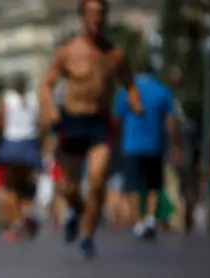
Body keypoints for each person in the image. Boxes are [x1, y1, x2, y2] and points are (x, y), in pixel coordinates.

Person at [39, 0, 143, 259]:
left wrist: (134, 98)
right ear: (83, 17)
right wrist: (49, 106)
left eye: (101, 13)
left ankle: (87, 237)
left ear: (106, 17)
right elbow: (46, 85)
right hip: (72, 121)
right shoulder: (68, 51)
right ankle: (77, 210)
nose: (97, 18)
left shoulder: (115, 55)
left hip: (100, 122)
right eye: (92, 13)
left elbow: (129, 83)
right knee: (69, 188)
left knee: (97, 181)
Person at [114, 63, 180, 240]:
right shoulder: (162, 90)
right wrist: (175, 144)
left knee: (133, 186)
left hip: (131, 145)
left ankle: (137, 223)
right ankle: (150, 219)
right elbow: (171, 120)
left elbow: (117, 118)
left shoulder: (127, 90)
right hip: (154, 145)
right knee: (154, 184)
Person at [0, 73, 41, 241]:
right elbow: (40, 122)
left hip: (11, 144)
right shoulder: (34, 98)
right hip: (29, 143)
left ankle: (15, 223)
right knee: (27, 183)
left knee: (12, 185)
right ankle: (28, 212)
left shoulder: (7, 98)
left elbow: (0, 122)